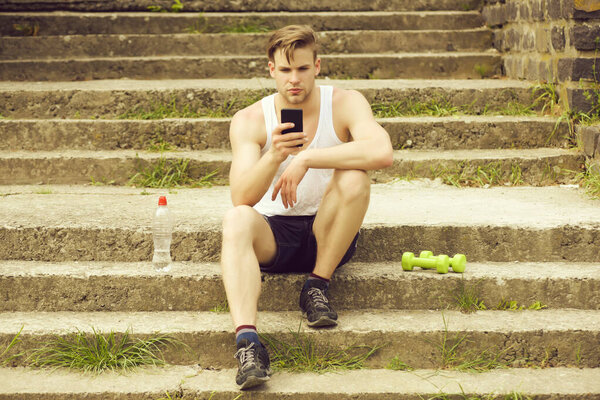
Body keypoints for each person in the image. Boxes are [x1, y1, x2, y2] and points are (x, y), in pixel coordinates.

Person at [220, 24, 393, 389]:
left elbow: (381, 152)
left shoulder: (345, 102)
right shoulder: (250, 119)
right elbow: (242, 197)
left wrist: (308, 158)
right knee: (236, 219)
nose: (293, 80)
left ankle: (316, 286)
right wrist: (275, 157)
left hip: (330, 231)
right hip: (274, 234)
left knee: (355, 177)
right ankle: (248, 344)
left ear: (317, 65)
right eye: (284, 70)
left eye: (301, 68)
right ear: (271, 70)